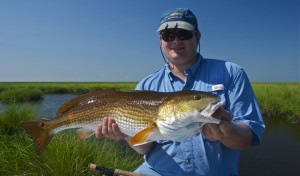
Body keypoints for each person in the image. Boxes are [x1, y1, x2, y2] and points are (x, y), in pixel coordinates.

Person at [95, 8, 265, 176]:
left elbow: (247, 138)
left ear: (197, 37)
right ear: (160, 41)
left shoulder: (231, 72)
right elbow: (145, 148)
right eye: (168, 35)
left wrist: (227, 131)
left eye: (183, 33)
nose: (176, 41)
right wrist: (125, 134)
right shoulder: (146, 84)